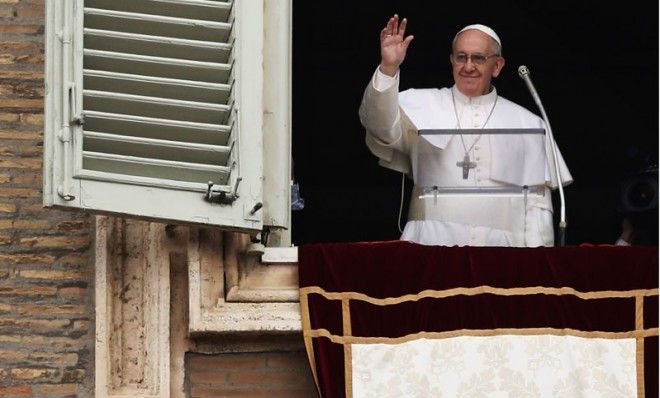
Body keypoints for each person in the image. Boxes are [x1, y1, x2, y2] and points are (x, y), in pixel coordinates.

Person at [359, 15, 573, 247]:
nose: (468, 66)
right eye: (461, 57)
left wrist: (537, 267)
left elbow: (537, 208)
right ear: (452, 61)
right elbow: (380, 127)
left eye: (478, 58)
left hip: (502, 251)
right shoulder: (421, 104)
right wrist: (388, 68)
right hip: (429, 245)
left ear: (497, 66)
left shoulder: (528, 123)